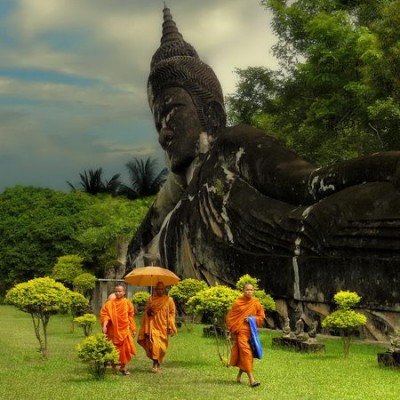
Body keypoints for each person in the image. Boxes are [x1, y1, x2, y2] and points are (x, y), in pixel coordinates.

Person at [127, 6, 400, 335]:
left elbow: (309, 183)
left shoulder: (232, 144)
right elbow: (141, 238)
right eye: (157, 121)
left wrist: (387, 164)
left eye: (171, 113)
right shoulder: (182, 192)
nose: (163, 133)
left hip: (299, 242)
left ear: (211, 115)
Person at [226, 283, 265, 387]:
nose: (249, 292)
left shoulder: (256, 303)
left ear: (253, 291)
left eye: (251, 290)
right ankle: (252, 380)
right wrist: (232, 330)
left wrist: (252, 319)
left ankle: (239, 376)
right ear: (243, 290)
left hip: (252, 334)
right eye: (247, 289)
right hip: (241, 333)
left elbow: (261, 317)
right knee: (246, 353)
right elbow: (231, 318)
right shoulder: (238, 303)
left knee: (246, 355)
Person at [137, 281, 177, 373]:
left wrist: (171, 325)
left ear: (164, 289)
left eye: (162, 289)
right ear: (155, 290)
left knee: (162, 348)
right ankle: (155, 364)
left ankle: (158, 361)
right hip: (153, 325)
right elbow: (147, 313)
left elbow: (172, 313)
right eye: (158, 289)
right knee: (154, 344)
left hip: (163, 326)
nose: (160, 291)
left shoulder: (168, 300)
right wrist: (149, 310)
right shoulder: (151, 299)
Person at [100, 284, 136, 375]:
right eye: (116, 291)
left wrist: (133, 329)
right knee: (113, 349)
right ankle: (113, 367)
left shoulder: (127, 303)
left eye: (120, 291)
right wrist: (104, 326)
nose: (117, 293)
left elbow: (130, 317)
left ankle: (123, 367)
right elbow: (105, 315)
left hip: (124, 330)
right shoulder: (110, 303)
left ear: (124, 292)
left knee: (125, 349)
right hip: (113, 330)